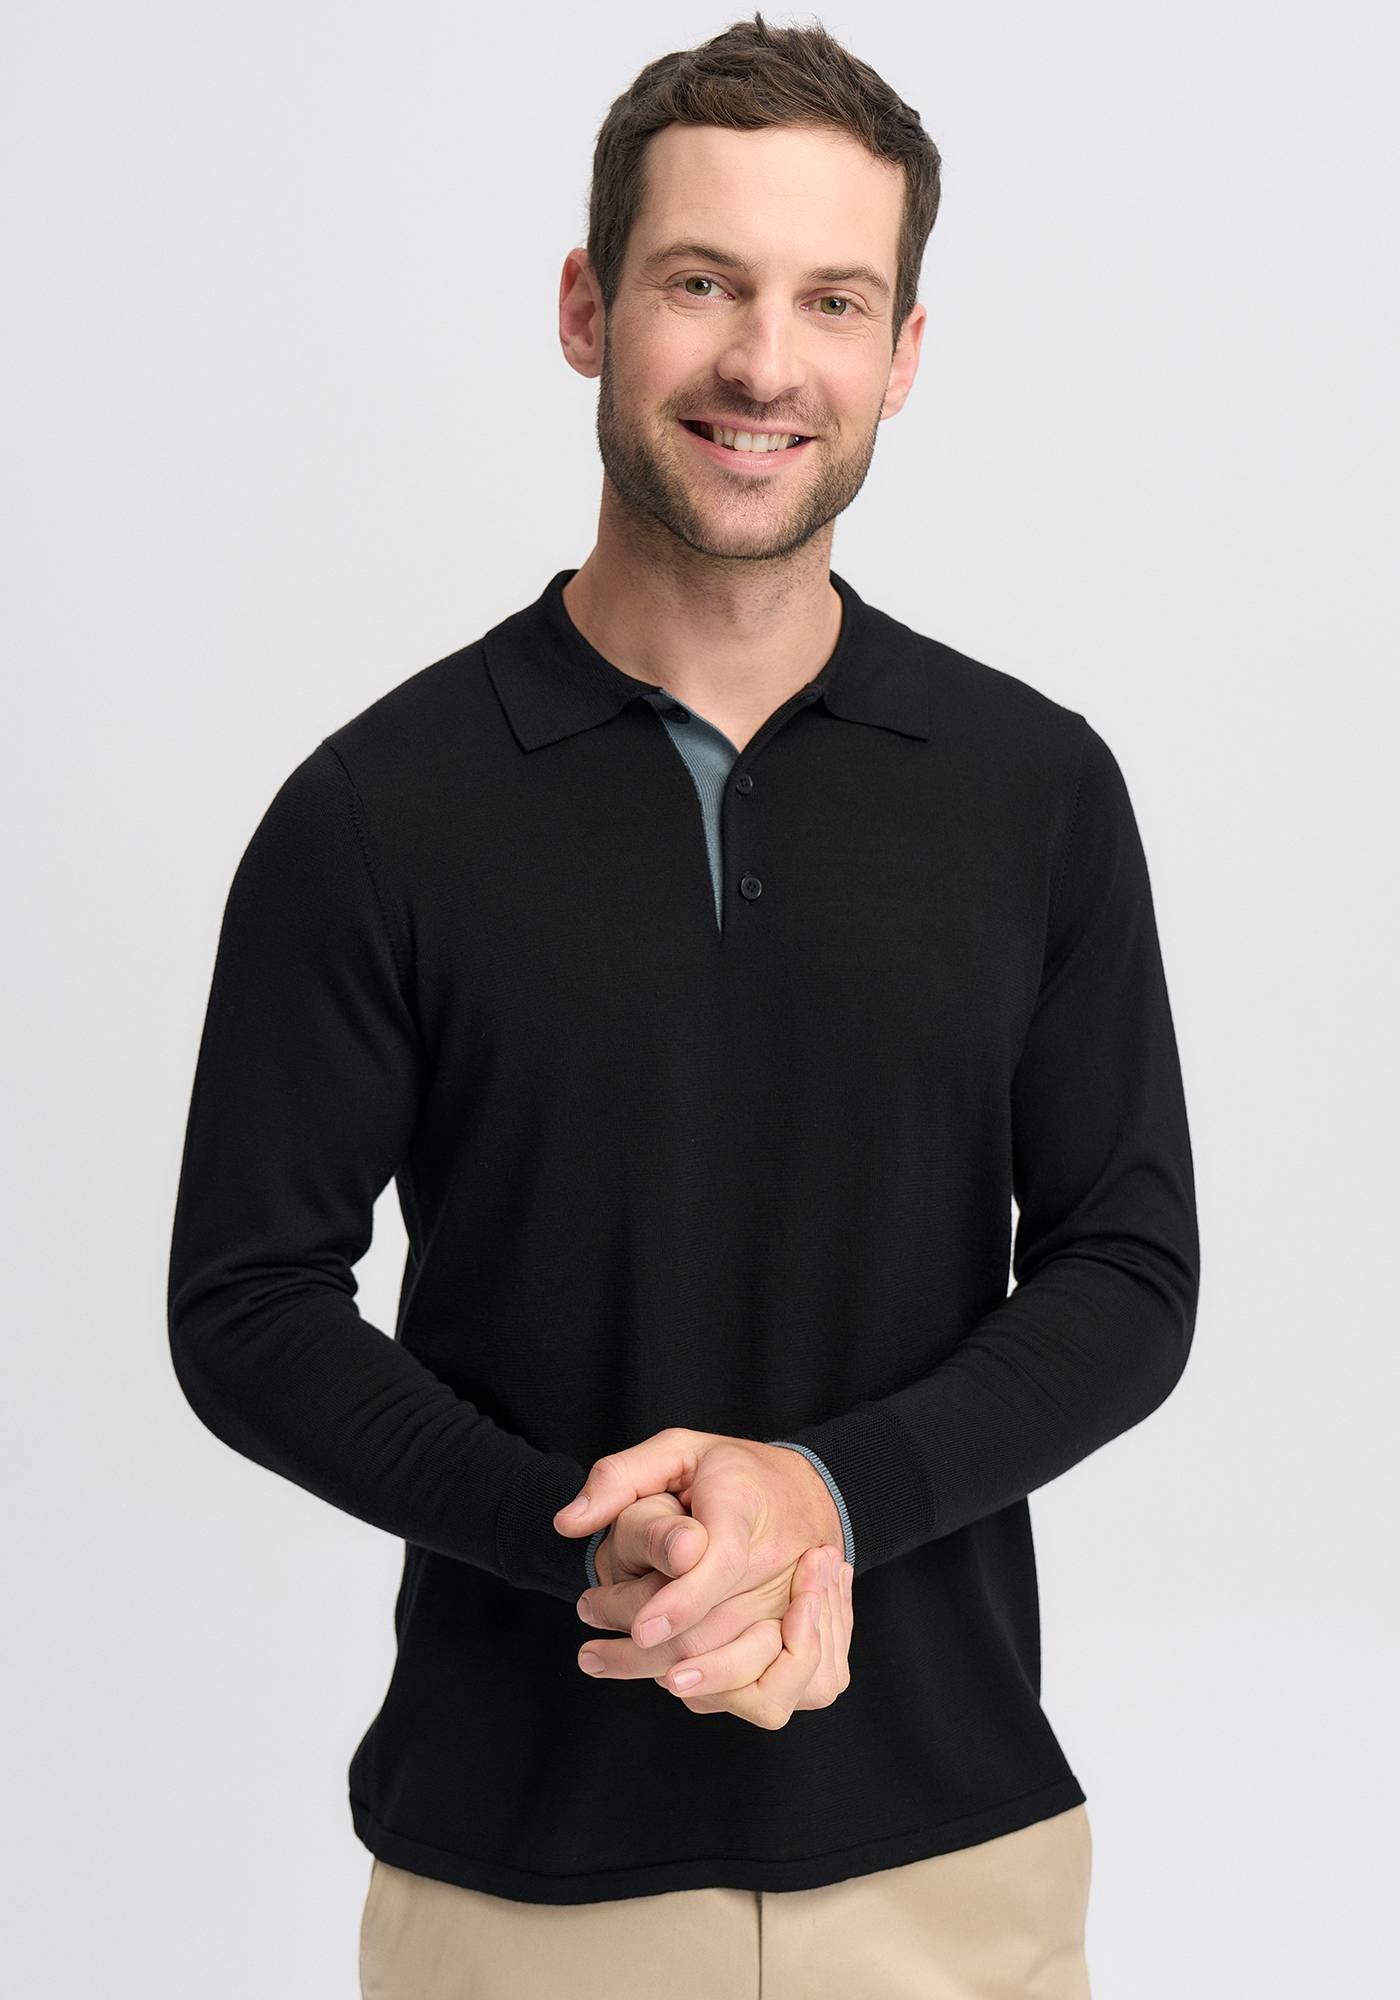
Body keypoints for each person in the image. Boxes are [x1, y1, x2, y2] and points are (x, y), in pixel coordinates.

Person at [167, 12, 1199, 1996]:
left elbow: (1127, 1270)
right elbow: (248, 1301)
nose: (762, 362)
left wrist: (819, 1498)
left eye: (832, 300)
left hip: (955, 1860)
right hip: (517, 1877)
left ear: (902, 353)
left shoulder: (1035, 789)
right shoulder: (377, 811)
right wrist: (583, 1536)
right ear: (588, 306)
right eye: (703, 283)